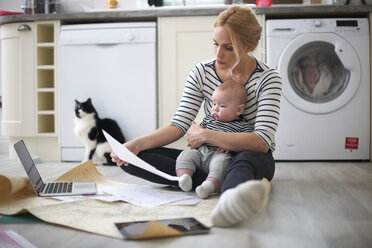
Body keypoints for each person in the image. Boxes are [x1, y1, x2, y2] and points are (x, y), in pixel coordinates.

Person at [111, 5, 282, 227]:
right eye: (215, 44)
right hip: (206, 156)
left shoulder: (269, 80)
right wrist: (136, 143)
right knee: (132, 159)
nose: (218, 54)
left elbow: (260, 142)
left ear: (248, 46)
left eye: (228, 48)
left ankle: (228, 200)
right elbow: (179, 125)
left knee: (245, 160)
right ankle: (221, 182)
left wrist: (206, 136)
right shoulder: (202, 72)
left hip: (249, 156)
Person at [176, 80, 252, 199]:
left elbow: (246, 144)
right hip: (201, 152)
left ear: (239, 110)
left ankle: (209, 185)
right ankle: (184, 177)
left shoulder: (242, 126)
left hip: (219, 155)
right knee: (186, 155)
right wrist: (195, 134)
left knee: (221, 163)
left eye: (221, 106)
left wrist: (233, 149)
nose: (215, 109)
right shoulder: (208, 120)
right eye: (213, 104)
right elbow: (197, 134)